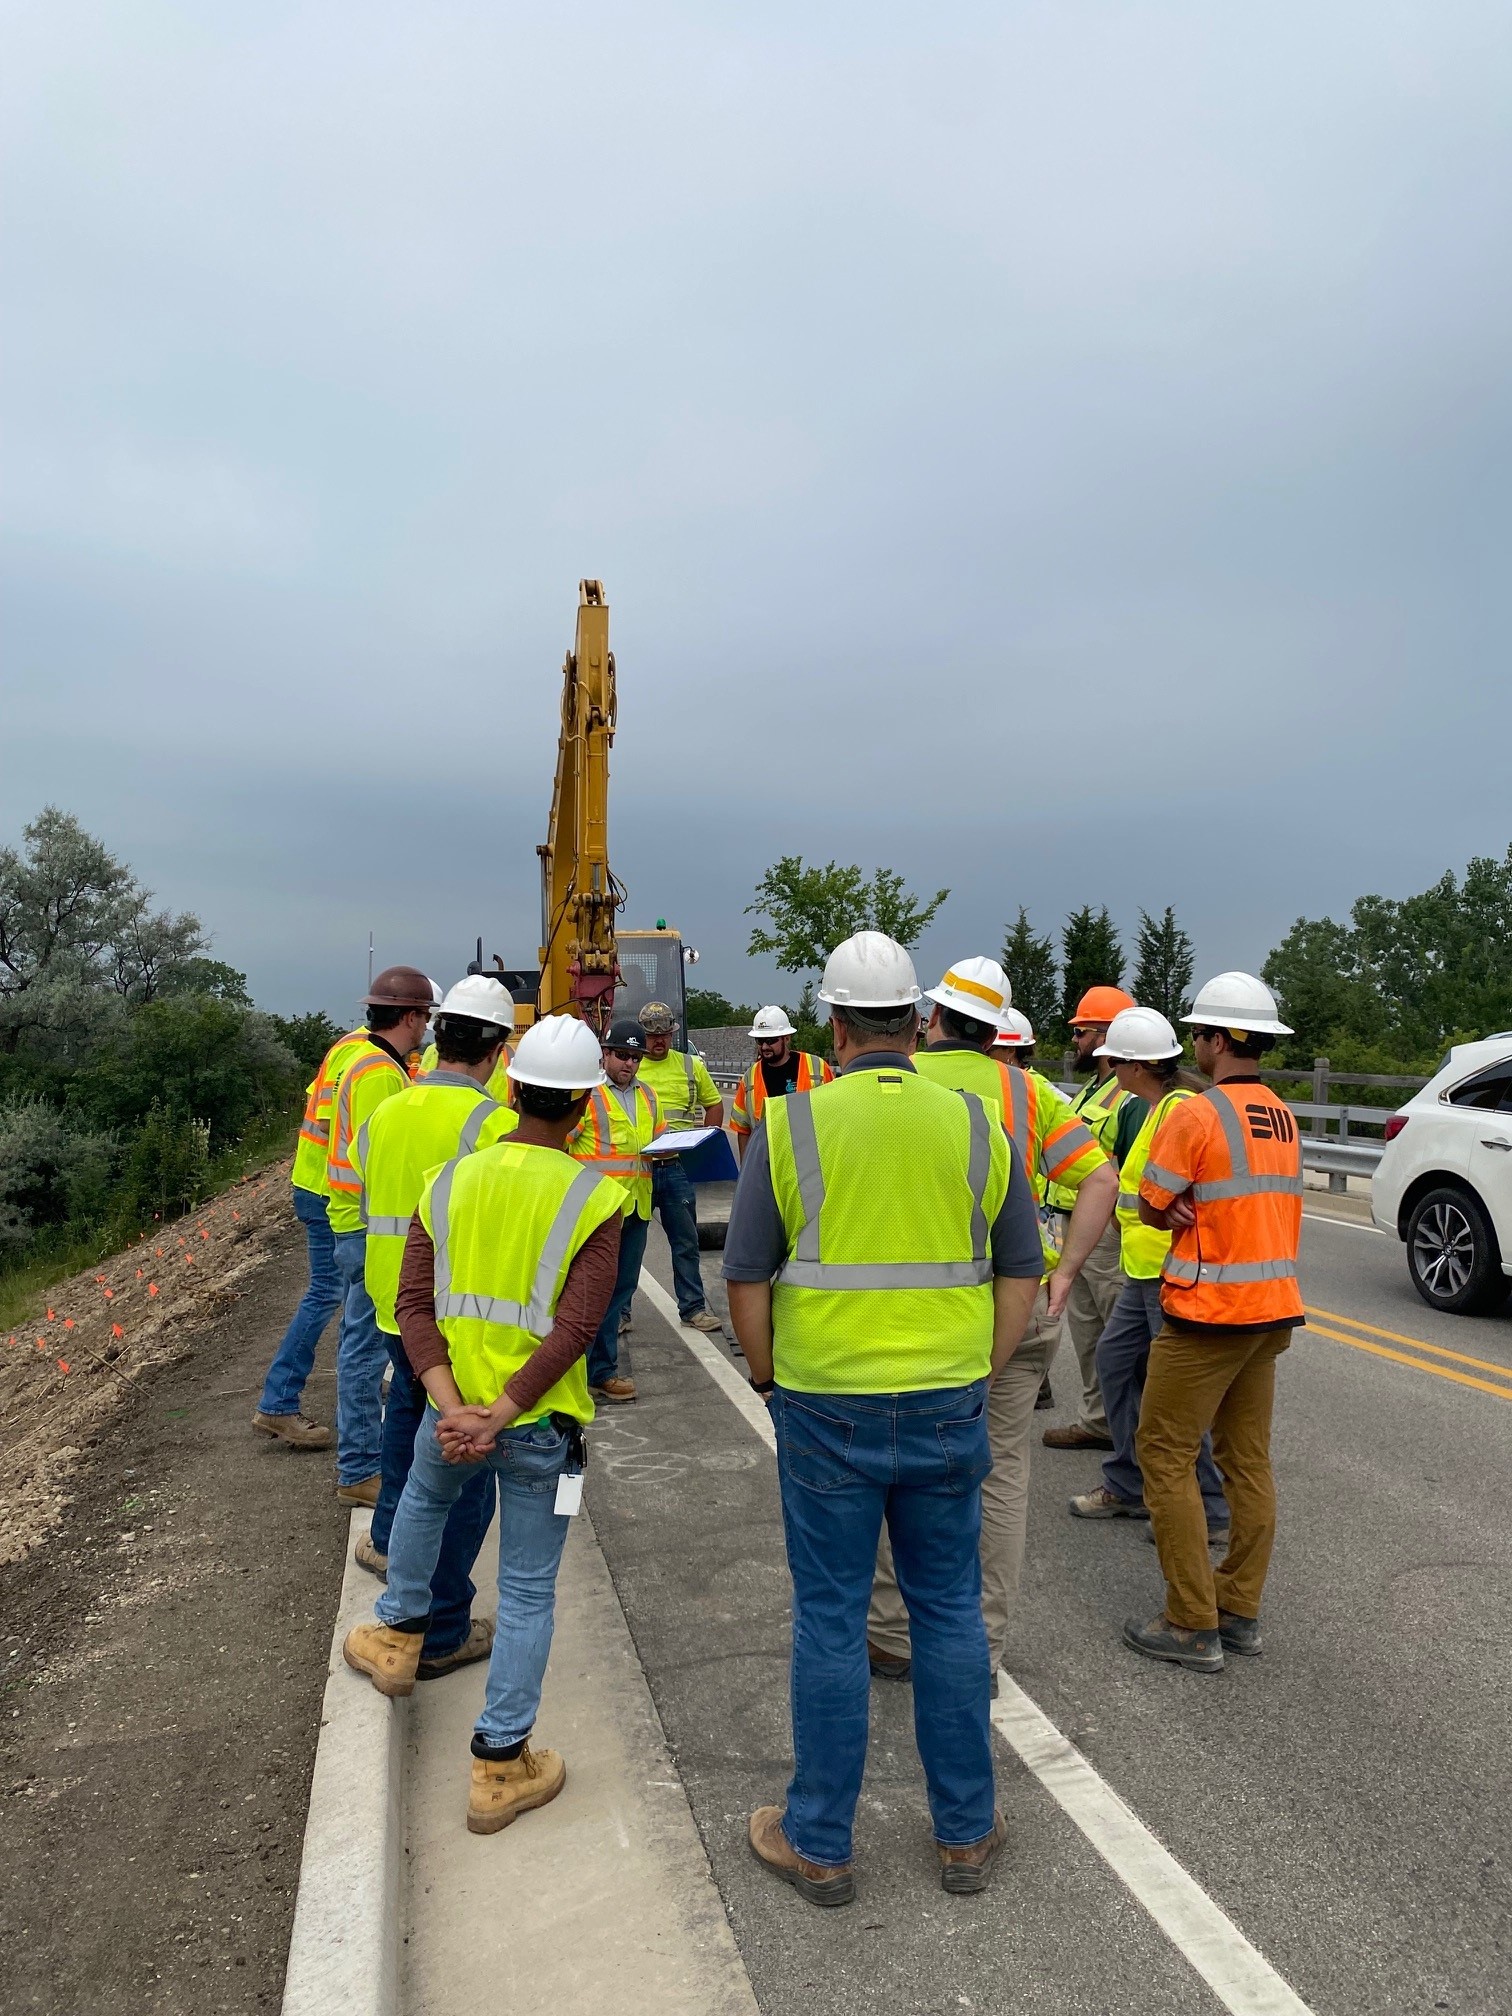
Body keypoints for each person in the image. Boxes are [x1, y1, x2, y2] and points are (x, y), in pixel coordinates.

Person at [723, 933, 1043, 1906]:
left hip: (826, 1408)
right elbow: (1021, 1269)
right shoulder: (981, 1125)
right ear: (917, 1020)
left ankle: (820, 1841)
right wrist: (976, 1371)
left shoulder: (791, 1126)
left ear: (831, 1024)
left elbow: (744, 1275)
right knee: (948, 1609)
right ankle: (966, 1833)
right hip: (948, 1402)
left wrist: (774, 1376)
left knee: (832, 1617)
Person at [342, 1016, 623, 1835]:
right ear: (581, 1107)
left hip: (450, 1411)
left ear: (510, 1085)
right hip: (543, 1431)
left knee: (424, 1507)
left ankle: (396, 1637)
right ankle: (500, 1765)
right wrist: (503, 1411)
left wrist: (451, 1403)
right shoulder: (594, 1197)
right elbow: (578, 1329)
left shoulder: (446, 1182)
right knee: (530, 1590)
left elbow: (412, 1306)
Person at [867, 957, 1116, 1682]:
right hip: (1024, 1302)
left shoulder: (904, 1083)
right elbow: (1100, 1179)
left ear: (932, 1018)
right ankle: (983, 1643)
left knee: (895, 1467)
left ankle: (891, 1633)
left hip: (925, 1311)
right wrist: (1064, 1272)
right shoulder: (1029, 1091)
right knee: (1001, 1474)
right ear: (999, 1028)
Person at [1125, 973, 1304, 1674]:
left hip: (1207, 1313)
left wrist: (1167, 1208)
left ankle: (1191, 1622)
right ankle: (1239, 1609)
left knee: (1164, 1455)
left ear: (1221, 1040)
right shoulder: (1282, 1115)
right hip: (1270, 1313)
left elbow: (1150, 1199)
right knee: (1248, 1462)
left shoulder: (1196, 1115)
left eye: (1200, 1032)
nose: (1194, 1044)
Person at [346, 976, 520, 1682]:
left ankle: (391, 1543)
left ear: (440, 1033)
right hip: (457, 1325)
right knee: (465, 1475)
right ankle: (444, 1625)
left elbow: (360, 1186)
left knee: (405, 1425)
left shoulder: (388, 1110)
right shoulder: (494, 1124)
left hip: (395, 1305)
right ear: (498, 1050)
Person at [1066, 1006, 1228, 1541]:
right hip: (1144, 1272)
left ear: (1132, 1066)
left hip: (1168, 1273)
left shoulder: (1180, 1108)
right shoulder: (1155, 1105)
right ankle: (1132, 1482)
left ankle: (1206, 1505)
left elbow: (1195, 1180)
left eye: (1116, 1060)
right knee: (1115, 1363)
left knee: (1171, 1395)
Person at [325, 966, 434, 1506]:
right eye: (425, 1017)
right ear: (410, 1016)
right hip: (366, 1227)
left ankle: (360, 1462)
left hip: (359, 1223)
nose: (427, 1029)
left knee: (363, 1345)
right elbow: (378, 1161)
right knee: (365, 1349)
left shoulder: (373, 1062)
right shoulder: (379, 1074)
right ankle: (360, 1469)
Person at [250, 1016, 370, 1448]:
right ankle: (278, 1403)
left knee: (341, 1293)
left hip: (321, 1185)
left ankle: (356, 1388)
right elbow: (328, 1124)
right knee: (327, 1293)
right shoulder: (360, 1055)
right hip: (327, 1190)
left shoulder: (350, 1048)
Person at [1042, 983, 1137, 1452]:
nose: (1076, 1041)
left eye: (1082, 1032)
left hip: (1107, 1230)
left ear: (1104, 1034)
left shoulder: (1131, 1094)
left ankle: (1132, 1438)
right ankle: (1098, 1421)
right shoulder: (1092, 1089)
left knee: (1119, 1338)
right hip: (1074, 1223)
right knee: (1089, 1335)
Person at [568, 1016, 664, 1404]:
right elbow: (562, 1144)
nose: (629, 1063)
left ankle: (600, 1371)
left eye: (635, 1057)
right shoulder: (586, 1094)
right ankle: (587, 1371)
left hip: (636, 1206)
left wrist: (670, 1148)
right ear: (605, 1054)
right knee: (590, 1293)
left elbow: (656, 1140)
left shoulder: (648, 1096)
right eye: (622, 1055)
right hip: (596, 1212)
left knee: (620, 1291)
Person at [634, 1000, 724, 1332]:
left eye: (665, 1035)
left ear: (672, 1033)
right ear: (643, 1036)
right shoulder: (631, 1065)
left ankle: (693, 1308)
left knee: (686, 1242)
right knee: (630, 1244)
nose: (659, 1042)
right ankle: (621, 1314)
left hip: (675, 1166)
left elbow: (714, 1105)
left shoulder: (690, 1066)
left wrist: (704, 1141)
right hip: (639, 1167)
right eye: (652, 1036)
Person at [729, 1006, 833, 1162]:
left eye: (771, 1041)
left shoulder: (817, 1067)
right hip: (767, 1166)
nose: (764, 1047)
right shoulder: (750, 1077)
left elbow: (834, 1119)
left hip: (810, 1163)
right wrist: (746, 1172)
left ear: (787, 1038)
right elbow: (743, 1129)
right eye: (760, 1041)